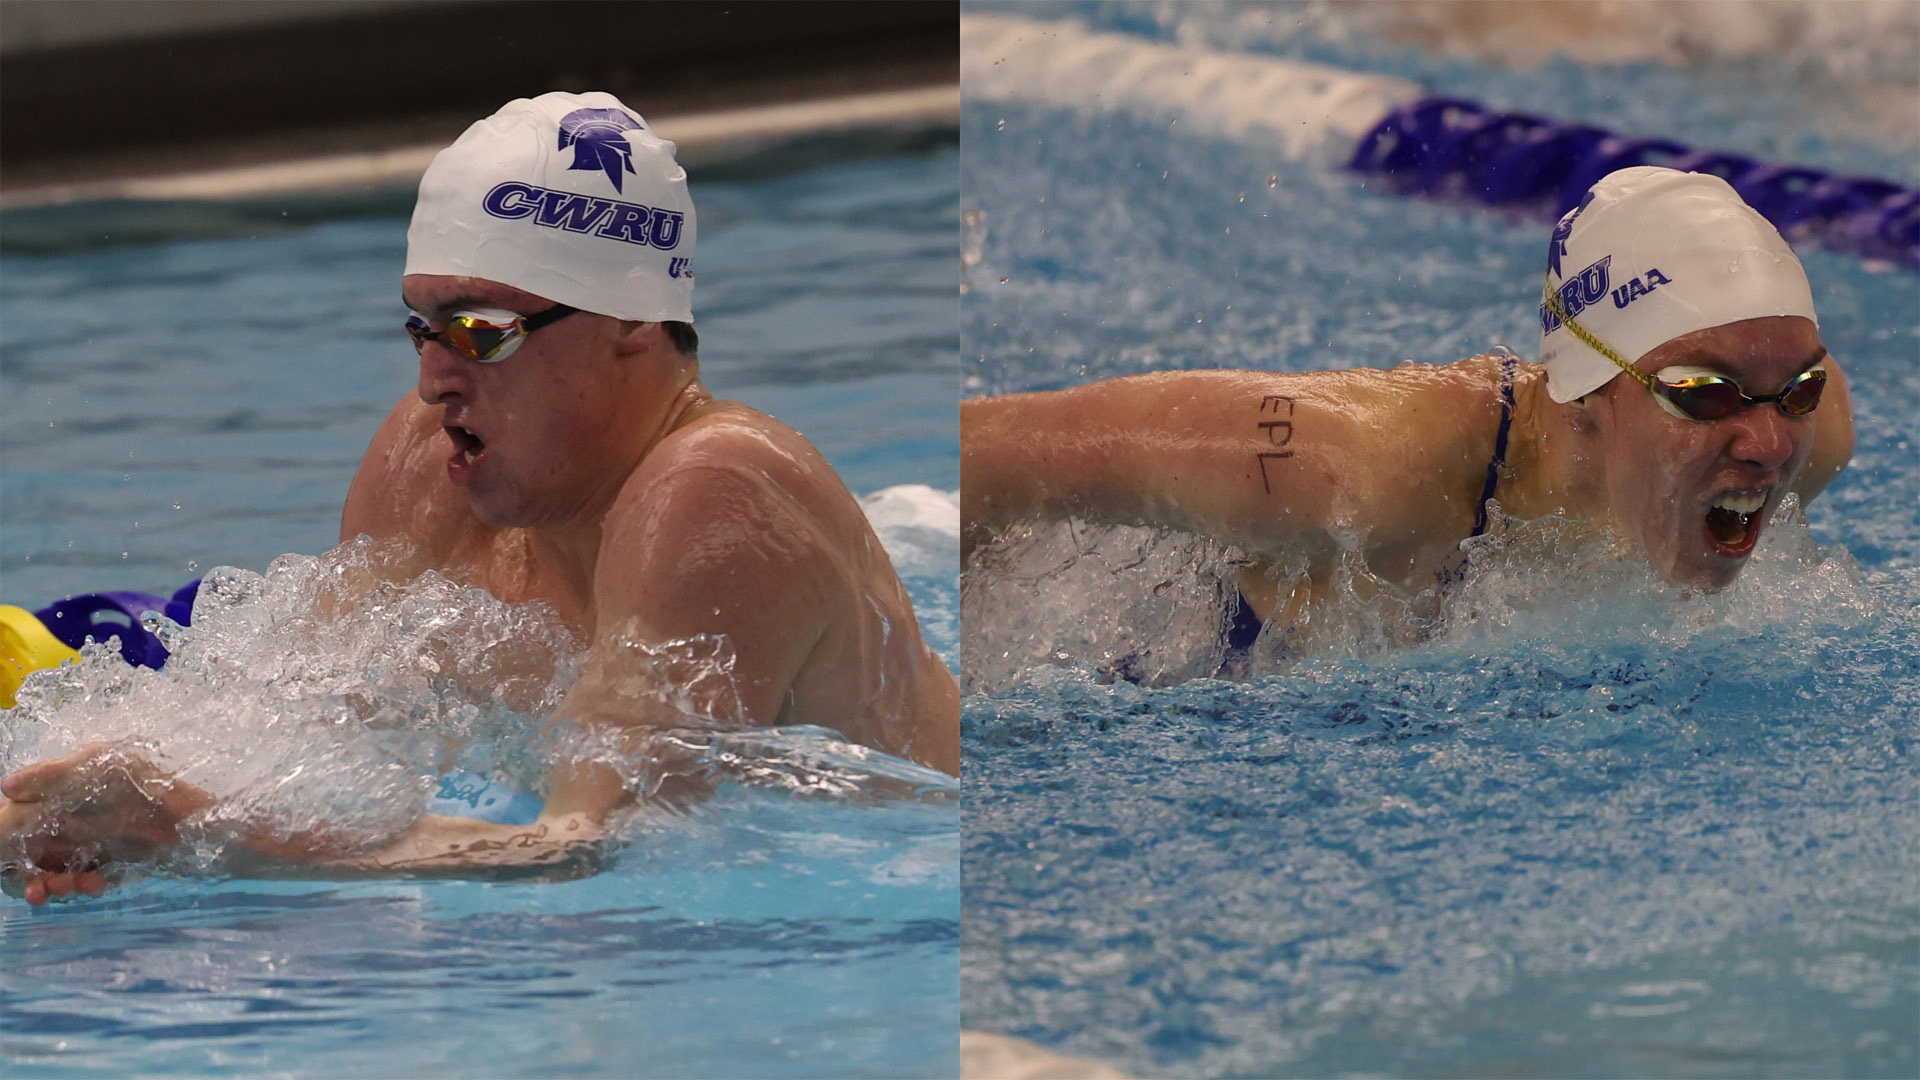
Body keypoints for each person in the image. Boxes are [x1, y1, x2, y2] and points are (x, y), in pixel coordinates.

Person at [3, 91, 959, 905]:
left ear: (631, 315)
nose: (432, 382)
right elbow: (295, 728)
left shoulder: (716, 496)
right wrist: (75, 812)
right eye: (422, 327)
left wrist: (195, 830)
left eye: (479, 330)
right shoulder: (431, 465)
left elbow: (586, 851)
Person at [963, 166, 1855, 635]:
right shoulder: (1348, 468)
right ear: (1586, 388)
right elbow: (980, 450)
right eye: (1705, 394)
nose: (1770, 444)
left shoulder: (1811, 433)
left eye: (1799, 387)